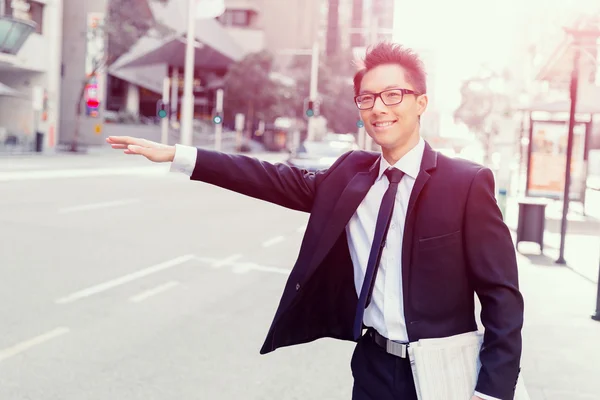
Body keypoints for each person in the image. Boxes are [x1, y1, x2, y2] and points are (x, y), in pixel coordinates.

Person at [107, 42, 524, 400]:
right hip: (374, 367)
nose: (379, 108)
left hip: (443, 372)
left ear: (421, 102)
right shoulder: (351, 176)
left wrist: (491, 389)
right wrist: (181, 156)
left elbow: (502, 297)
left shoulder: (466, 184)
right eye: (367, 98)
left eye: (393, 95)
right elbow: (270, 177)